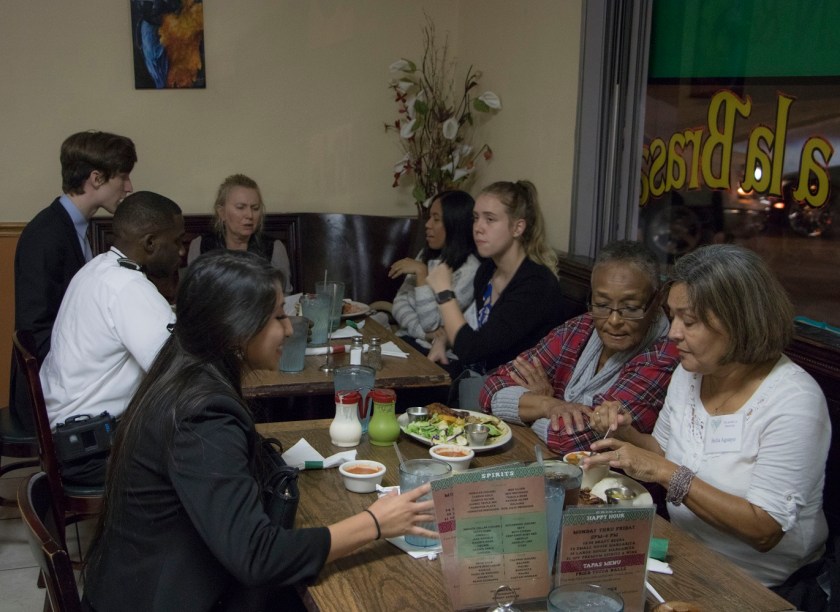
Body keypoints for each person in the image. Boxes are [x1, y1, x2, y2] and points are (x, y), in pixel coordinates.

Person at [81, 250, 436, 612]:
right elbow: (257, 557)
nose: (289, 329)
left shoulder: (183, 369)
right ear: (237, 327)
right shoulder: (203, 414)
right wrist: (375, 522)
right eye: (279, 316)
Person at [587, 244, 829, 588]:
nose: (674, 332)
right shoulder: (691, 372)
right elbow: (662, 452)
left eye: (690, 321)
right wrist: (624, 432)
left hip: (764, 587)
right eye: (672, 317)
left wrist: (665, 473)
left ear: (739, 321)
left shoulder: (794, 400)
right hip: (684, 556)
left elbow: (765, 530)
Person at [479, 240, 679, 455]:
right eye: (602, 304)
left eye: (630, 308)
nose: (613, 320)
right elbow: (491, 390)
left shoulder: (664, 357)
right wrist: (549, 405)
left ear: (657, 300)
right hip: (542, 458)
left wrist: (532, 407)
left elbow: (571, 439)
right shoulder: (582, 327)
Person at [39, 191, 184, 486]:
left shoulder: (98, 269)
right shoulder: (128, 287)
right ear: (151, 243)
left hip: (68, 437)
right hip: (93, 453)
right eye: (177, 241)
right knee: (209, 455)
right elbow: (180, 370)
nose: (181, 252)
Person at [11, 130, 137, 432]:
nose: (129, 187)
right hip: (47, 392)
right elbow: (34, 330)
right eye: (123, 176)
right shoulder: (46, 234)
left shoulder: (77, 228)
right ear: (96, 178)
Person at [426, 180, 573, 377]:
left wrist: (444, 292)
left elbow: (472, 349)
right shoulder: (487, 270)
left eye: (490, 219)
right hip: (481, 377)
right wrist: (443, 338)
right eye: (476, 218)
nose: (478, 228)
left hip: (515, 387)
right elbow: (474, 329)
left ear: (518, 228)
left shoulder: (536, 283)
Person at [388, 190, 480, 362]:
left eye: (436, 219)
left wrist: (422, 274)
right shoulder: (426, 254)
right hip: (406, 340)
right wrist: (423, 333)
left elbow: (431, 323)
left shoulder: (470, 270)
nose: (428, 224)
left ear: (455, 224)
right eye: (429, 217)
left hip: (436, 355)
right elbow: (399, 304)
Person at [187, 173, 293, 293]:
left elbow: (284, 297)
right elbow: (192, 296)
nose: (249, 215)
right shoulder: (200, 245)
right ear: (222, 212)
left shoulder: (274, 248)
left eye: (255, 208)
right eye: (240, 207)